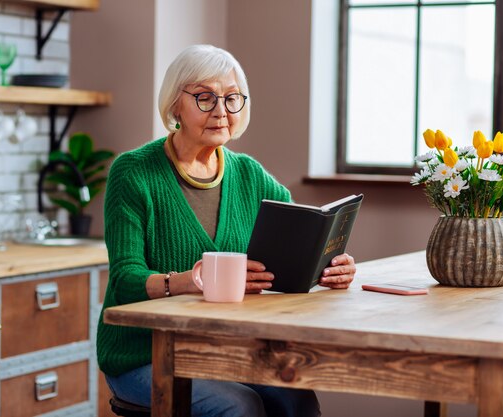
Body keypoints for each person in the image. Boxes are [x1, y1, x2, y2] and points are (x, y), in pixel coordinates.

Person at [97, 44, 356, 417]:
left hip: (227, 350)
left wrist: (330, 265)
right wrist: (193, 280)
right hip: (144, 353)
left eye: (232, 98)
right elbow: (125, 279)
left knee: (297, 397)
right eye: (204, 98)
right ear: (175, 106)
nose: (221, 111)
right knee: (241, 406)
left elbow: (302, 240)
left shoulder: (251, 175)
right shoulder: (134, 172)